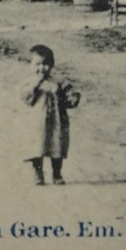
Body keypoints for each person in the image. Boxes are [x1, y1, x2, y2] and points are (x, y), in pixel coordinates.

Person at [22, 44, 80, 185]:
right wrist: (35, 86)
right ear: (30, 65)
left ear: (52, 65)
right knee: (37, 147)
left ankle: (57, 173)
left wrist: (73, 97)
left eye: (46, 64)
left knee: (57, 146)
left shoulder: (58, 81)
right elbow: (25, 98)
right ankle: (38, 173)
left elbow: (70, 95)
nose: (41, 68)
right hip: (36, 122)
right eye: (37, 64)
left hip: (57, 121)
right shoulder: (29, 82)